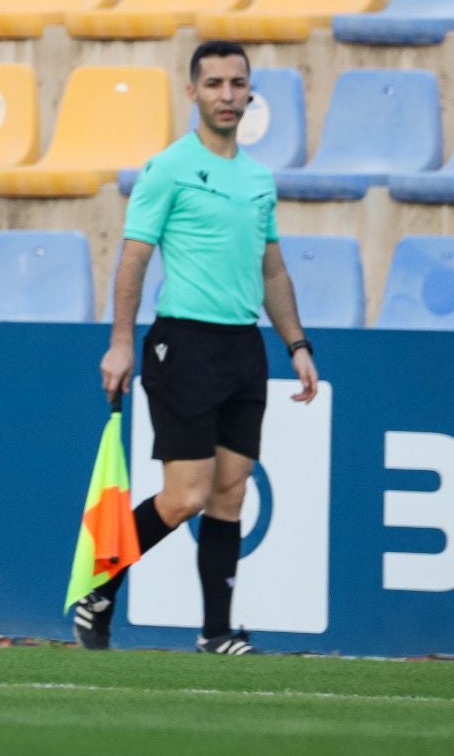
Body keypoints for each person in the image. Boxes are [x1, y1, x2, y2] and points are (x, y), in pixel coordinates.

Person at [77, 40, 321, 655]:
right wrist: (120, 343)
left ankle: (216, 632)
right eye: (214, 84)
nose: (227, 95)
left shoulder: (259, 178)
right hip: (182, 343)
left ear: (250, 92)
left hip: (243, 348)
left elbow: (272, 271)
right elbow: (133, 259)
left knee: (231, 490)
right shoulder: (169, 168)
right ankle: (97, 586)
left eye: (237, 84)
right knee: (185, 495)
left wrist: (296, 345)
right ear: (193, 93)